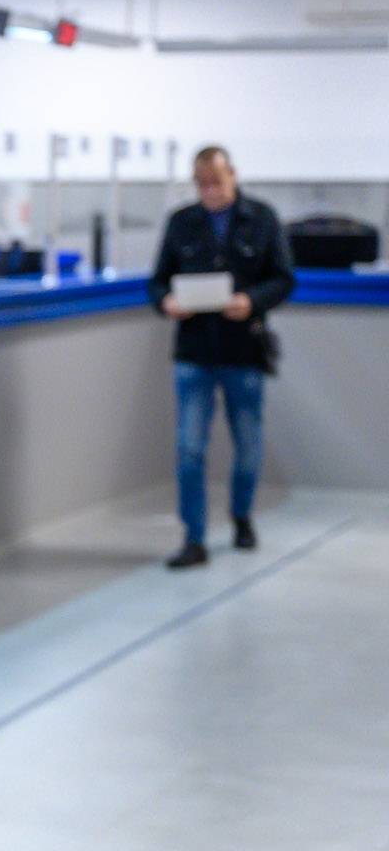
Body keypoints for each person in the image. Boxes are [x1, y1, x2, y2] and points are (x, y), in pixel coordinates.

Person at [148, 145, 295, 570]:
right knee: (189, 447)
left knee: (248, 443)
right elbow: (156, 284)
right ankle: (193, 537)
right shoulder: (182, 223)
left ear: (232, 175)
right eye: (202, 184)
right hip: (194, 352)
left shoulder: (262, 219)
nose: (210, 191)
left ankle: (242, 515)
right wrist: (168, 302)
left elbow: (284, 278)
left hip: (243, 350)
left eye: (217, 182)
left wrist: (252, 300)